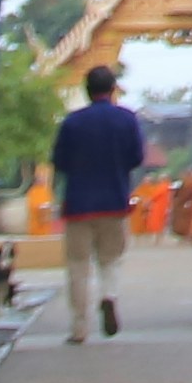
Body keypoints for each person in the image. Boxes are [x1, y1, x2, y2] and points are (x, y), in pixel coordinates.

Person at [46, 63, 145, 344]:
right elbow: (137, 157)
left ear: (86, 91)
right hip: (114, 200)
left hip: (78, 204)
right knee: (111, 259)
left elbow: (60, 162)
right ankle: (109, 296)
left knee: (78, 265)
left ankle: (79, 327)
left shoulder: (72, 122)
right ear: (113, 89)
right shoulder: (126, 120)